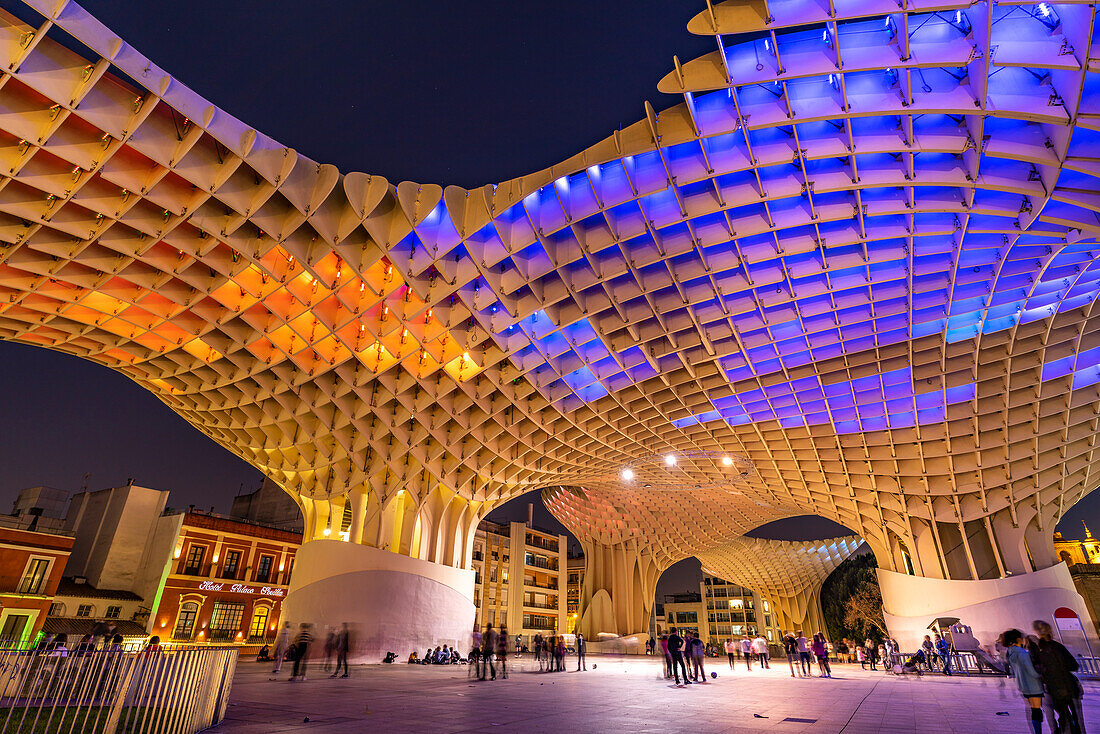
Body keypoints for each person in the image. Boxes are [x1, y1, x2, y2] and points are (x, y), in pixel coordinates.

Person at [1032, 620, 1083, 734]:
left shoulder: (1039, 650)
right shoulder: (1057, 646)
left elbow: (1036, 670)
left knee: (1064, 716)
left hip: (1054, 689)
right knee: (1076, 718)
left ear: (1036, 632)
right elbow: (1073, 665)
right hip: (1069, 685)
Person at [1004, 629, 1045, 734]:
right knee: (1037, 710)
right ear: (1018, 639)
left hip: (1023, 685)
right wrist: (1039, 675)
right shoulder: (1022, 653)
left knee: (1033, 709)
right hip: (1033, 685)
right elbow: (1031, 671)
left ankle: (1037, 731)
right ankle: (1038, 732)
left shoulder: (1010, 653)